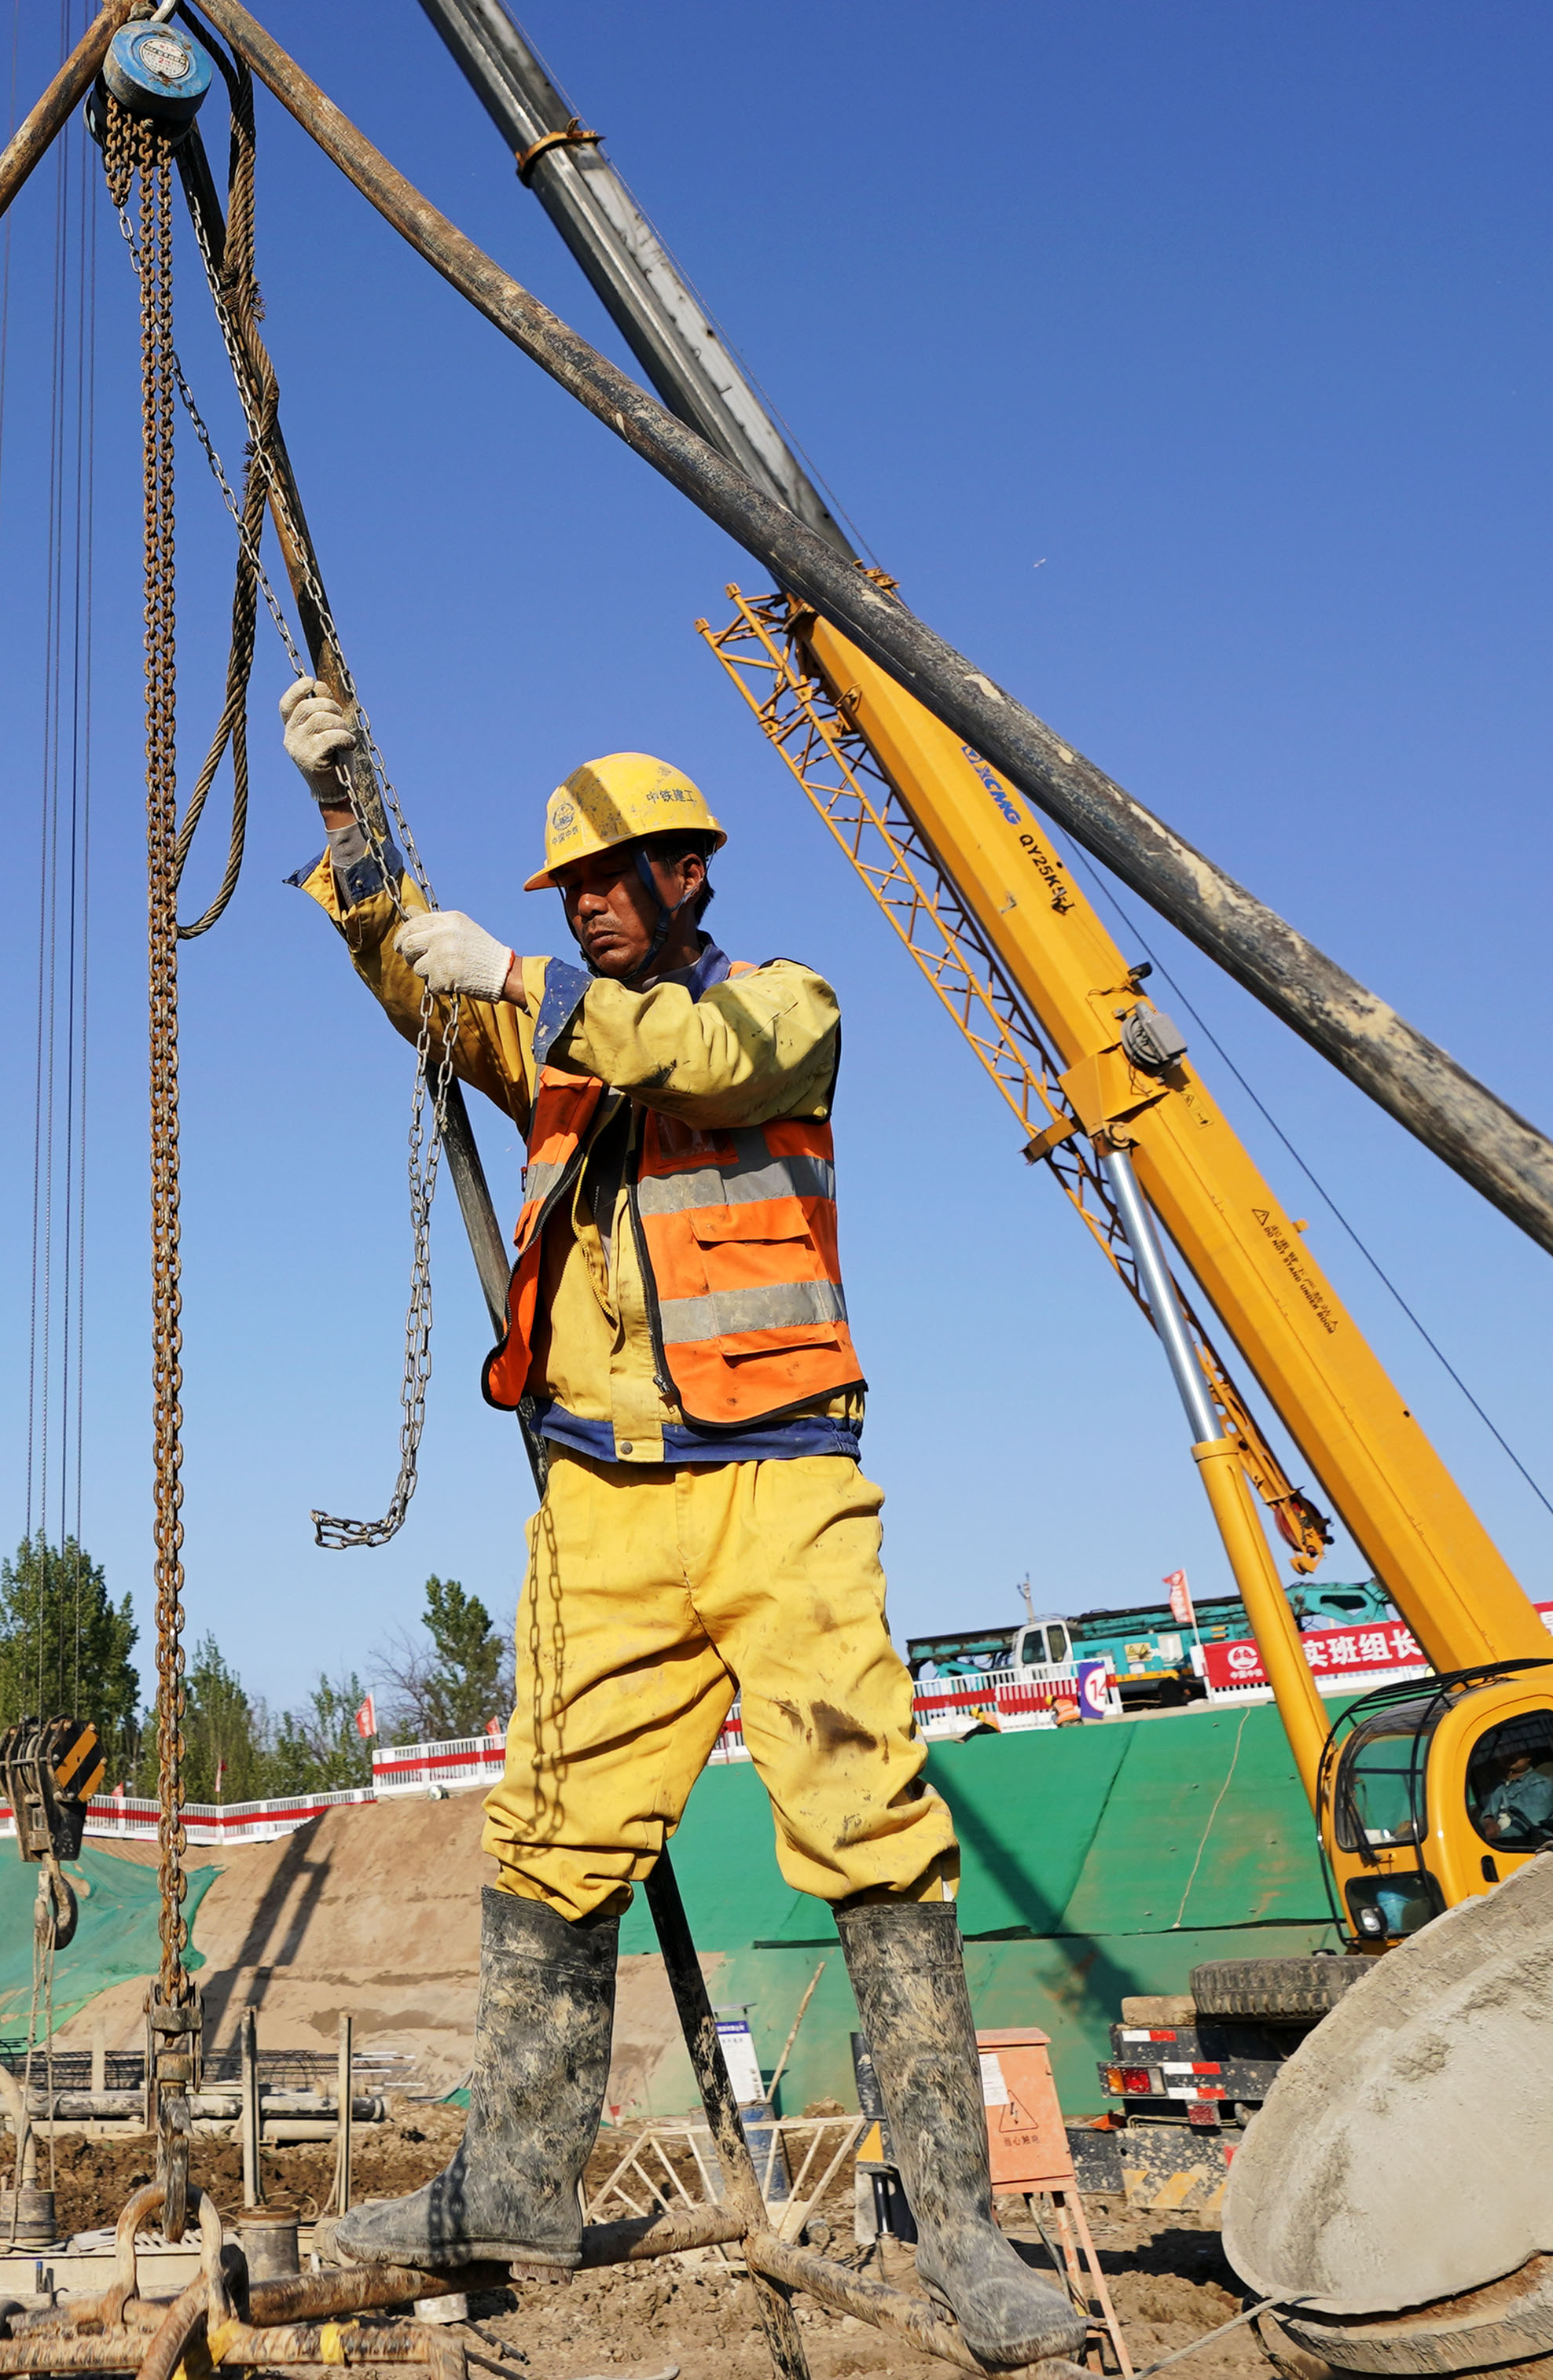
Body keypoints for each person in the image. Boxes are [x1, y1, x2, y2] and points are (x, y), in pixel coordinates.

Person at [277, 681, 1080, 2370]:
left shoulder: (785, 1009)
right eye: (571, 881)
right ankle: (514, 2181)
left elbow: (696, 1057)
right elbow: (418, 982)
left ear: (693, 875)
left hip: (784, 1490)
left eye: (620, 873)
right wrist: (355, 824)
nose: (586, 897)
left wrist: (519, 979)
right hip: (604, 1510)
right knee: (551, 1834)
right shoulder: (557, 1045)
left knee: (871, 1822)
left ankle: (959, 2233)